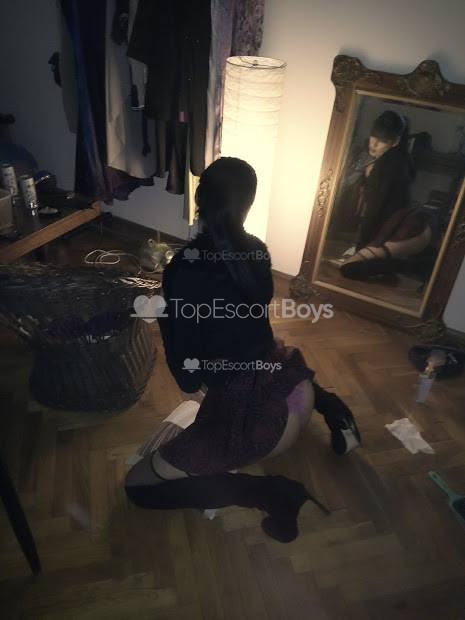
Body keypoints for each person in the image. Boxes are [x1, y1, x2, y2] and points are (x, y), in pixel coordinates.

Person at [124, 157, 360, 542]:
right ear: (248, 204)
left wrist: (164, 313)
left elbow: (188, 379)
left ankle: (271, 493)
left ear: (199, 202)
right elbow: (246, 327)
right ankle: (333, 407)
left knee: (136, 487)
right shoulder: (258, 253)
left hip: (259, 423)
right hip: (292, 389)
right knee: (264, 354)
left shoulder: (183, 269)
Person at [339, 111, 432, 280]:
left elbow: (374, 211)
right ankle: (412, 265)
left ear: (395, 142)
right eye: (373, 136)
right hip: (415, 228)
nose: (374, 144)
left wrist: (362, 247)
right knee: (362, 263)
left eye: (382, 141)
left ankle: (418, 267)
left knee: (348, 268)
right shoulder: (403, 158)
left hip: (406, 231)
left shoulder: (385, 166)